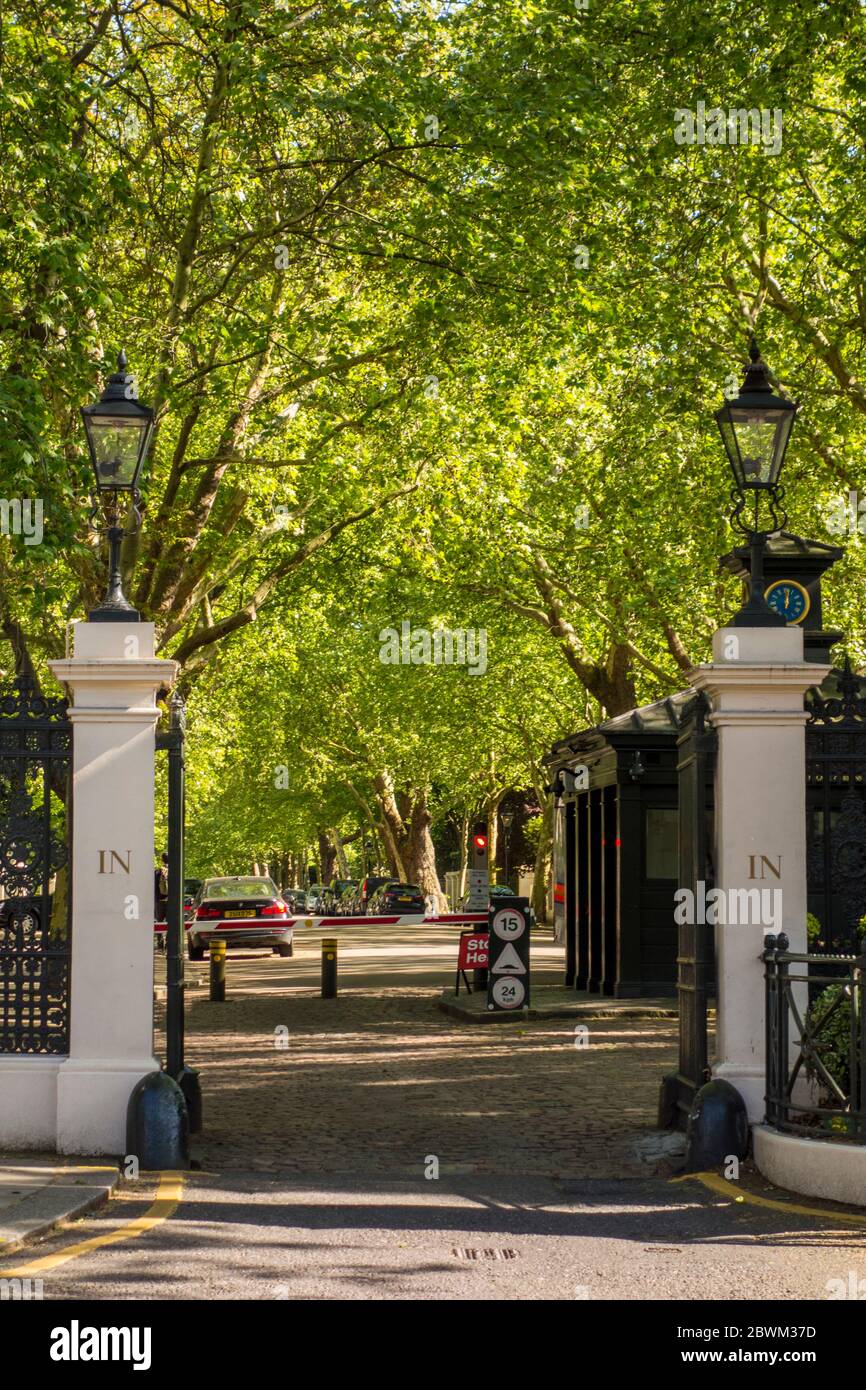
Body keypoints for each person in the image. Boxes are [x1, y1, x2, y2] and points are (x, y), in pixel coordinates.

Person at [154, 853, 168, 923]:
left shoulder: (158, 872)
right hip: (172, 901)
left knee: (159, 922)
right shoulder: (176, 871)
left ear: (162, 860)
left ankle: (159, 934)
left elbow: (154, 886)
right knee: (172, 923)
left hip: (160, 900)